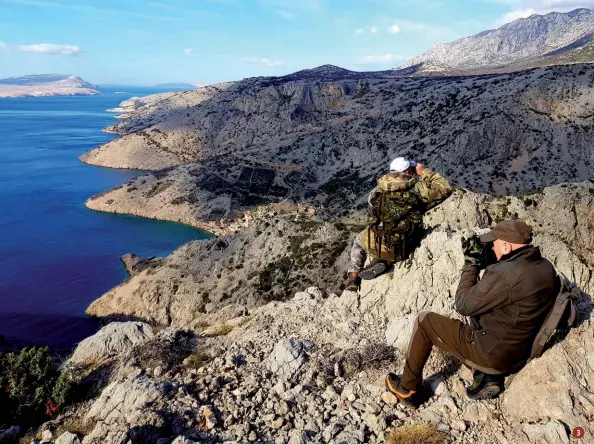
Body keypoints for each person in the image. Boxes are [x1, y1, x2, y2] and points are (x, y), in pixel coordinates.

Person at [384, 220, 559, 408]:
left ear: (507, 246)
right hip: (518, 352)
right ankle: (486, 377)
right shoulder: (545, 267)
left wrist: (471, 265)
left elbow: (463, 304)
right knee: (480, 313)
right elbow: (511, 290)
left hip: (493, 355)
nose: (492, 246)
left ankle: (408, 388)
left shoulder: (505, 275)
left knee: (425, 321)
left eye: (495, 243)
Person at [345, 157, 453, 291]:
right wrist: (423, 172)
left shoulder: (377, 192)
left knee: (358, 241)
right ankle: (388, 258)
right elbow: (445, 188)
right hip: (407, 244)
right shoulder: (417, 190)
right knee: (413, 230)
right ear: (408, 171)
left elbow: (373, 213)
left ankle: (353, 278)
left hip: (380, 241)